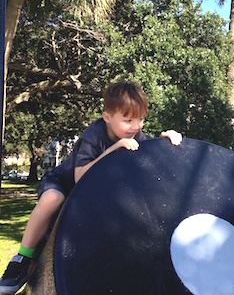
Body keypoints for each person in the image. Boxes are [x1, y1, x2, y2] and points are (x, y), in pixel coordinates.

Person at [0, 81, 182, 294]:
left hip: (91, 196)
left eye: (141, 119)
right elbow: (79, 177)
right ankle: (22, 259)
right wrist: (114, 149)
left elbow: (145, 160)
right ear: (107, 117)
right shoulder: (93, 135)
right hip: (64, 184)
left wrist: (163, 142)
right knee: (52, 200)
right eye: (128, 120)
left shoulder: (134, 136)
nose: (136, 126)